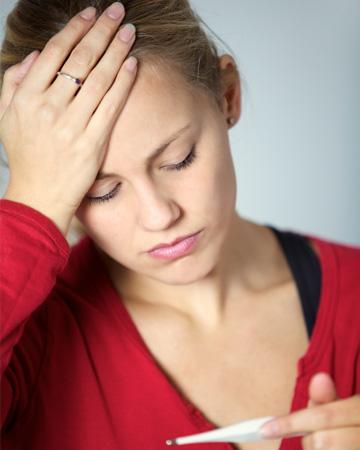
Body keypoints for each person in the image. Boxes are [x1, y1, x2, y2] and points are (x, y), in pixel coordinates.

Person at [0, 1, 359, 449]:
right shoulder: (34, 341)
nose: (159, 216)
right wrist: (31, 201)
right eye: (101, 191)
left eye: (178, 159)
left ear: (228, 97)